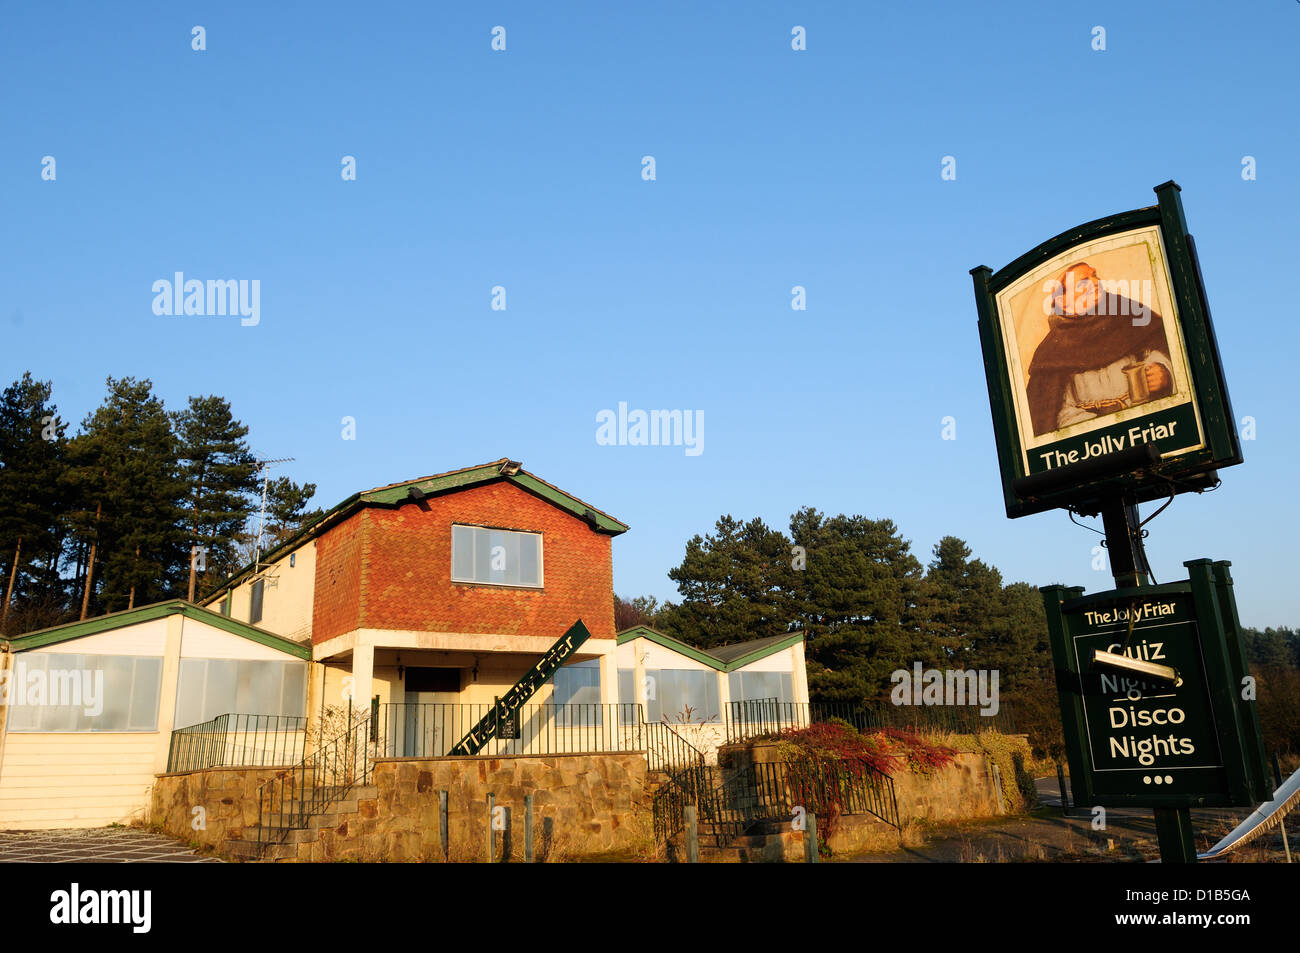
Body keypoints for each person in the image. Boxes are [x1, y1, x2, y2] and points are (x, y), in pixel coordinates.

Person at [1025, 261, 1174, 437]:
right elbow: (1056, 414)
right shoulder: (1050, 351)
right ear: (1062, 301)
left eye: (1094, 276)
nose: (1096, 282)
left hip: (1145, 426)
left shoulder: (1128, 313)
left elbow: (1163, 348)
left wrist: (1163, 370)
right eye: (1083, 282)